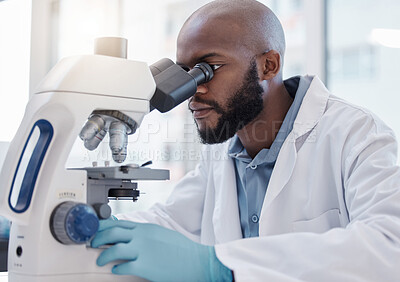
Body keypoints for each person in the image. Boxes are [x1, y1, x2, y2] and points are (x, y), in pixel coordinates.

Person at [91, 0, 400, 281]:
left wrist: (222, 264)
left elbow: (389, 247)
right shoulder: (223, 153)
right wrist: (97, 229)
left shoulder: (356, 134)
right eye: (185, 73)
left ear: (269, 66)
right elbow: (170, 222)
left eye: (207, 69)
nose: (192, 90)